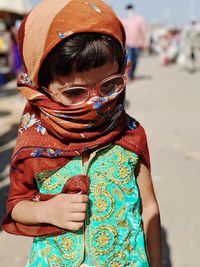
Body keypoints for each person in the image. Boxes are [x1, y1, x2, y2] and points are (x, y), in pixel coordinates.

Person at [2, 0, 162, 266]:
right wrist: (45, 210)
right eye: (74, 92)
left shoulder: (129, 134)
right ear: (40, 88)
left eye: (109, 85)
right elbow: (16, 204)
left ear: (122, 70)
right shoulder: (34, 142)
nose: (94, 102)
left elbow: (149, 208)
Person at [122, 4, 146, 80]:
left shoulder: (139, 19)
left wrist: (143, 42)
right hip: (128, 44)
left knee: (135, 60)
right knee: (129, 59)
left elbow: (142, 31)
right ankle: (129, 75)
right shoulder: (124, 21)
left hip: (137, 43)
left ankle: (132, 74)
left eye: (130, 9)